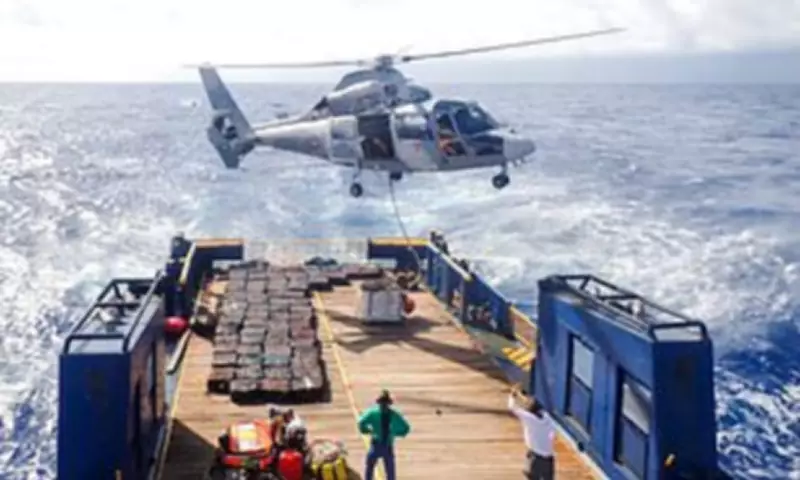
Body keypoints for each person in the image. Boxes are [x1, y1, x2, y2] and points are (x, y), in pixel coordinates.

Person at [357, 390, 410, 480]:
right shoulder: (393, 414)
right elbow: (406, 428)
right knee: (390, 471)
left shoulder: (373, 413)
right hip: (387, 445)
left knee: (370, 467)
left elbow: (361, 422)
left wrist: (366, 430)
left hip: (376, 444)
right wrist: (395, 433)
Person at [508, 385, 555, 480]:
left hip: (536, 457)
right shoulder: (548, 418)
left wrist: (513, 395)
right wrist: (523, 395)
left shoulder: (529, 419)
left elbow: (513, 408)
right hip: (549, 458)